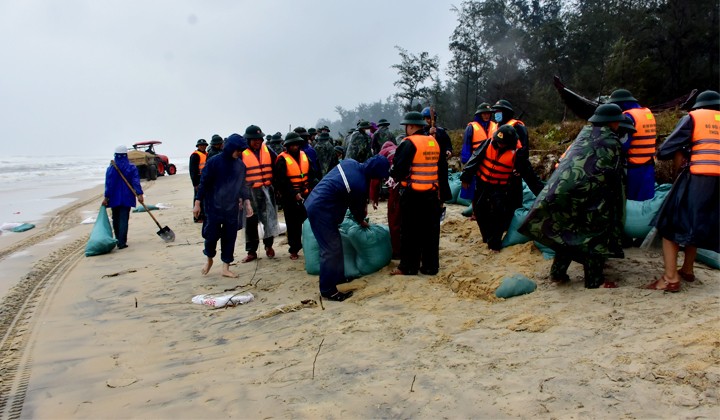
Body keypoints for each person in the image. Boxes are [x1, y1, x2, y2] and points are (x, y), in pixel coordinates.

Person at [518, 104, 627, 289]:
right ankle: (594, 281)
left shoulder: (584, 135)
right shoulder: (610, 141)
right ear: (613, 122)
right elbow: (614, 177)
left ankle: (557, 274)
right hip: (587, 196)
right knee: (595, 235)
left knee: (567, 232)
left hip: (563, 192)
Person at [644, 90, 720, 292]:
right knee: (694, 224)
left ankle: (670, 278)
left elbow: (667, 150)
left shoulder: (694, 118)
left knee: (669, 225)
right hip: (717, 186)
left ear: (699, 107)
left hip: (697, 180)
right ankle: (687, 269)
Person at [305, 155, 390, 301]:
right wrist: (360, 221)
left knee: (336, 245)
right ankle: (328, 290)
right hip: (321, 210)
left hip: (318, 202)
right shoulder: (358, 183)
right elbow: (356, 207)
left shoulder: (351, 163)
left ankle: (337, 278)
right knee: (330, 249)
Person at [461, 125, 544, 251]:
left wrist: (543, 194)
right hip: (483, 184)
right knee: (479, 211)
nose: (499, 145)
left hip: (500, 188)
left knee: (499, 215)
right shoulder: (488, 143)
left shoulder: (518, 153)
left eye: (502, 143)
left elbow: (530, 177)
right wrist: (466, 177)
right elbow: (474, 160)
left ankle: (494, 243)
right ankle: (487, 237)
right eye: (498, 142)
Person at [389, 111, 442, 276]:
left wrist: (392, 172)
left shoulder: (408, 143)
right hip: (432, 194)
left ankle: (408, 267)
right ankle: (430, 267)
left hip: (413, 194)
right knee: (431, 232)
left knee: (410, 232)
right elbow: (441, 168)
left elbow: (399, 170)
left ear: (410, 126)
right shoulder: (433, 142)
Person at [193, 134, 253, 278]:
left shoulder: (240, 165)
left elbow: (243, 186)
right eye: (238, 150)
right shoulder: (214, 162)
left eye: (241, 151)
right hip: (213, 206)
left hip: (231, 207)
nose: (239, 153)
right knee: (211, 236)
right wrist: (197, 202)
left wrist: (247, 202)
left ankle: (225, 267)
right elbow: (204, 183)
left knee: (229, 237)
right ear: (230, 148)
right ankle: (209, 259)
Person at [240, 125, 280, 263]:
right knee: (250, 222)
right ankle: (251, 251)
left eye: (260, 139)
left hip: (266, 190)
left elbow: (277, 164)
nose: (258, 142)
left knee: (269, 219)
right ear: (248, 140)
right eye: (254, 139)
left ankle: (268, 246)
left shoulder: (267, 150)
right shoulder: (241, 153)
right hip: (249, 193)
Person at [607, 88, 657, 201]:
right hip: (649, 166)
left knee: (632, 202)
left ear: (622, 104)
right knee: (647, 201)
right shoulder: (647, 113)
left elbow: (623, 145)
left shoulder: (627, 117)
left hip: (633, 169)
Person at [274, 132, 315, 260]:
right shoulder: (282, 159)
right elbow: (281, 181)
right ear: (287, 146)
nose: (295, 147)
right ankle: (294, 249)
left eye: (297, 144)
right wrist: (294, 193)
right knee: (293, 225)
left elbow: (311, 174)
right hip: (290, 198)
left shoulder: (304, 156)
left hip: (306, 194)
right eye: (292, 145)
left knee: (310, 221)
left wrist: (311, 187)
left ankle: (312, 246)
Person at [491, 99, 533, 211]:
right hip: (501, 168)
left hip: (516, 167)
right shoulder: (496, 127)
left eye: (499, 111)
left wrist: (518, 166)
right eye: (495, 111)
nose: (496, 114)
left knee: (521, 190)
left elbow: (523, 148)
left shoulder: (518, 127)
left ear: (506, 112)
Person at [102, 145, 144, 250]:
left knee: (115, 218)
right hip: (127, 196)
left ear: (115, 155)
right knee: (124, 218)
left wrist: (106, 197)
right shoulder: (131, 167)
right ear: (126, 155)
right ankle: (122, 242)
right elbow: (135, 182)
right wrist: (139, 194)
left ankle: (118, 240)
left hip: (114, 197)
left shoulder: (111, 168)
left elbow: (109, 184)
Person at [370, 140, 401, 259]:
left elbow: (375, 179)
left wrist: (374, 198)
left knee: (394, 220)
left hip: (396, 187)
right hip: (411, 186)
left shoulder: (382, 153)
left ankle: (397, 252)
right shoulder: (400, 148)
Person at [421, 107, 453, 204]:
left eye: (429, 118)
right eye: (425, 118)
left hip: (441, 163)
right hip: (427, 165)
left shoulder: (441, 131)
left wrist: (448, 150)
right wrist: (428, 134)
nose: (427, 120)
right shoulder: (421, 133)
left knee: (442, 186)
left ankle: (441, 203)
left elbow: (448, 144)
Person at [189, 138, 208, 223]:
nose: (203, 147)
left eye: (204, 145)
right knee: (197, 199)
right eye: (201, 145)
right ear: (198, 146)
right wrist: (195, 183)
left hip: (206, 178)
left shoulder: (207, 154)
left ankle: (203, 215)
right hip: (198, 179)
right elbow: (192, 170)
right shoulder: (195, 155)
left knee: (205, 199)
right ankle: (197, 217)